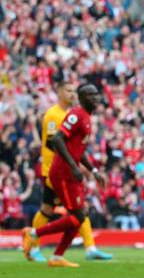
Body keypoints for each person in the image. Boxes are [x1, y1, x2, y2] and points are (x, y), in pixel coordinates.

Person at [22, 84, 106, 267]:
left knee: (77, 214)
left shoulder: (86, 117)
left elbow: (77, 149)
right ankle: (35, 234)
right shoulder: (74, 114)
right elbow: (56, 139)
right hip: (61, 172)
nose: (96, 98)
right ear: (82, 98)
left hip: (68, 171)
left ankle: (57, 256)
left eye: (96, 94)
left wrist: (93, 170)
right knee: (75, 215)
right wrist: (72, 166)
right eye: (90, 95)